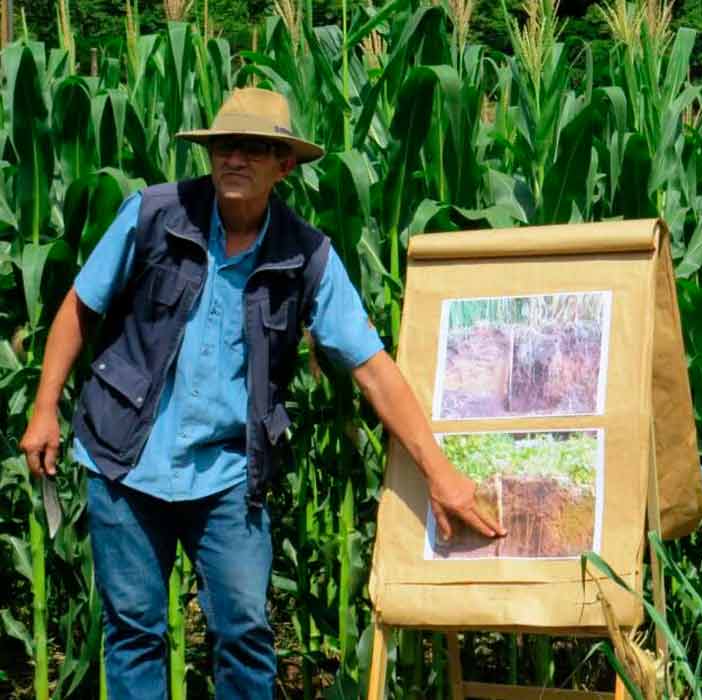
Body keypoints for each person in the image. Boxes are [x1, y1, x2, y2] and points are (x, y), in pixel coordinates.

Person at [18, 87, 505, 698]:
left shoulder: (305, 256)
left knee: (244, 632)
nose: (235, 160)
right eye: (225, 147)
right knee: (134, 631)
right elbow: (80, 307)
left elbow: (372, 368)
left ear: (285, 165)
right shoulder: (152, 214)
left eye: (254, 148)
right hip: (125, 461)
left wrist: (441, 473)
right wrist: (44, 410)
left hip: (226, 473)